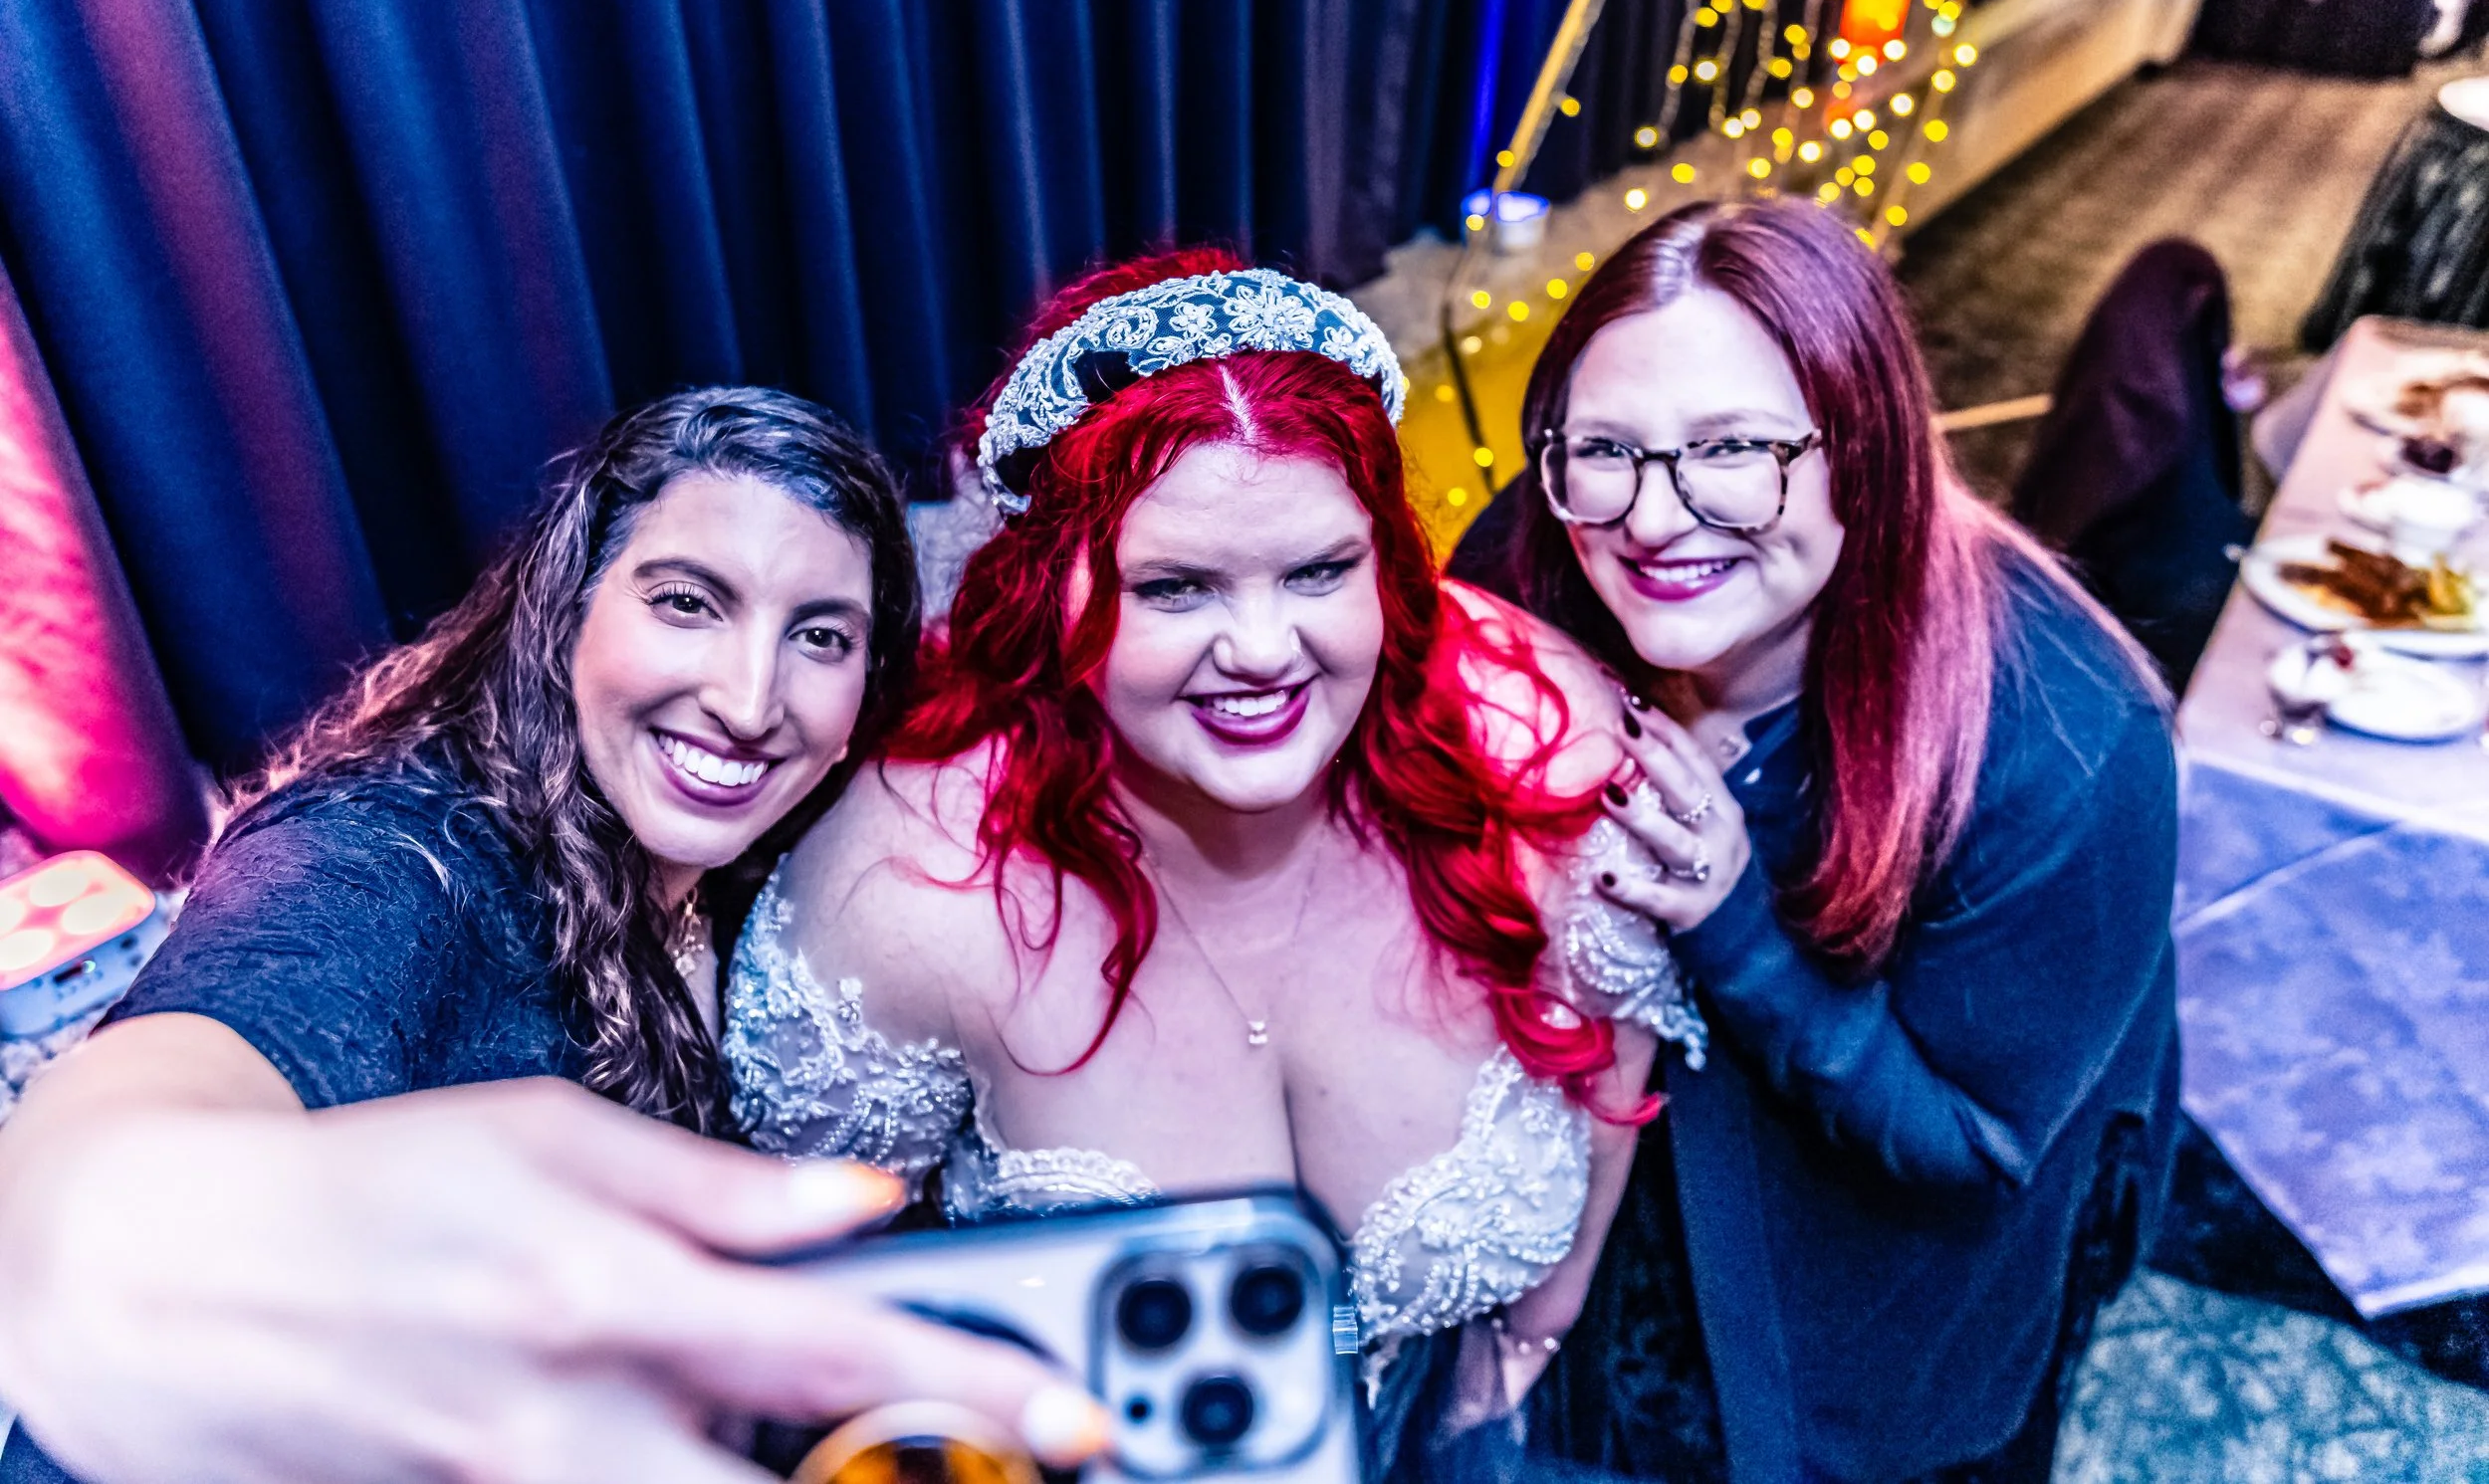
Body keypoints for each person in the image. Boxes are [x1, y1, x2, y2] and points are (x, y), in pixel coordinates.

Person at [0, 388, 1110, 1483]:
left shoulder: (770, 854)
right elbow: (151, 1101)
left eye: (820, 634)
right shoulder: (403, 854)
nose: (748, 695)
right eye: (688, 603)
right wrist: (98, 1228)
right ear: (566, 606)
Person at [723, 253, 1711, 1478]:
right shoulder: (910, 893)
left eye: (1317, 571)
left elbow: (1614, 1084)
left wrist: (1516, 1363)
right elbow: (810, 1305)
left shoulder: (1536, 755)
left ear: (1387, 565)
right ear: (1051, 595)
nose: (1261, 650)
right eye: (1175, 585)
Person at [1449, 199, 2182, 1483]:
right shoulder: (1525, 565)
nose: (1654, 519)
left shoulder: (2063, 743)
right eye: (1604, 446)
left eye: (1733, 449)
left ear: (1868, 450)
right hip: (1606, 1191)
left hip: (1877, 1272)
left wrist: (1736, 924)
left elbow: (1976, 1145)